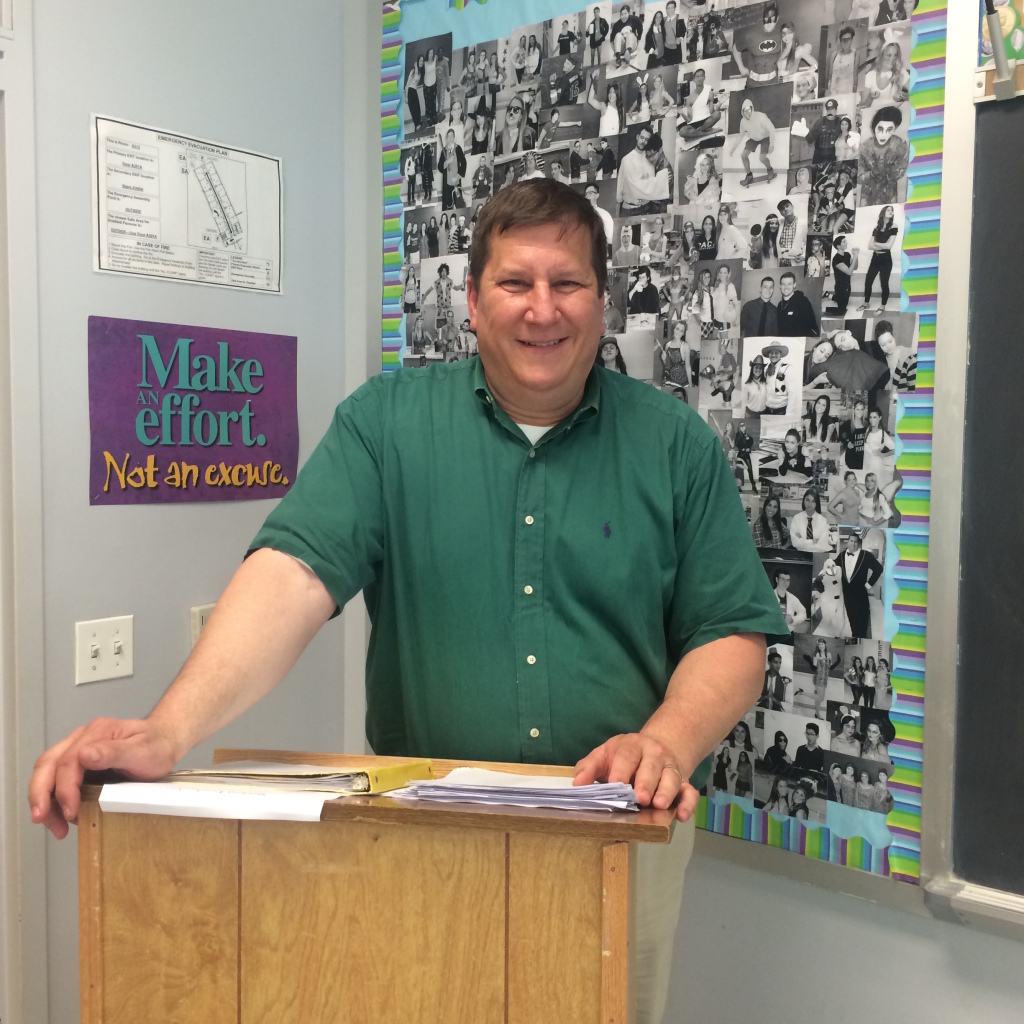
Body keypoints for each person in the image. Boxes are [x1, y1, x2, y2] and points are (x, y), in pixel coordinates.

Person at [33, 180, 789, 1024]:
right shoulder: (384, 426)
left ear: (602, 303)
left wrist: (666, 742)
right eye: (515, 283)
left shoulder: (675, 444)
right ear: (471, 300)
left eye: (567, 283)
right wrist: (168, 731)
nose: (543, 309)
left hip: (619, 828)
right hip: (428, 830)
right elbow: (294, 575)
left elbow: (730, 633)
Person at [858, 105, 909, 206]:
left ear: (895, 129)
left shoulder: (900, 145)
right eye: (880, 129)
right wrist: (873, 172)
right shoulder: (865, 147)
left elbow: (900, 172)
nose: (883, 134)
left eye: (889, 129)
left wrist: (885, 169)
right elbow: (859, 178)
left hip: (890, 196)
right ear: (874, 127)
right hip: (868, 196)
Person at [617, 125, 671, 215]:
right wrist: (661, 179)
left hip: (648, 207)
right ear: (637, 137)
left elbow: (654, 185)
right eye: (642, 137)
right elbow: (622, 187)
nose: (643, 142)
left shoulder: (650, 158)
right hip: (631, 209)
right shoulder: (627, 159)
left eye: (647, 139)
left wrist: (662, 180)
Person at [841, 530, 882, 637]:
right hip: (847, 595)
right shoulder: (841, 555)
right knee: (852, 620)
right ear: (847, 542)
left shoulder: (866, 555)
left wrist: (868, 584)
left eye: (855, 542)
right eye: (851, 541)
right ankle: (855, 635)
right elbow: (833, 567)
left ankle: (861, 636)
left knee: (862, 621)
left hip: (860, 595)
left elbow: (878, 568)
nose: (853, 544)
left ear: (858, 543)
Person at [730, 2, 783, 86]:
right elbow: (735, 48)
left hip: (774, 82)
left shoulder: (782, 32)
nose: (769, 25)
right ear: (763, 18)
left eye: (773, 20)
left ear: (777, 18)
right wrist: (741, 67)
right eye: (766, 20)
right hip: (753, 84)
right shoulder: (752, 34)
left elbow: (792, 45)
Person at [858, 204, 899, 313]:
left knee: (884, 283)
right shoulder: (877, 228)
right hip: (875, 258)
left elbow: (888, 246)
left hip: (886, 259)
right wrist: (881, 245)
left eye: (892, 210)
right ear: (883, 213)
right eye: (888, 210)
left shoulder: (893, 226)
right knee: (868, 281)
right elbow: (869, 246)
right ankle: (866, 303)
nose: (891, 211)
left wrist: (876, 244)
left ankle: (882, 306)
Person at [730, 98, 776, 186]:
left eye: (749, 110)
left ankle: (770, 170)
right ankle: (749, 176)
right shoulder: (742, 121)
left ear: (752, 109)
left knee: (762, 158)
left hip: (765, 137)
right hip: (754, 139)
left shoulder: (761, 116)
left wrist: (771, 145)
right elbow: (740, 135)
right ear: (742, 112)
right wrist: (733, 148)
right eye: (745, 111)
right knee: (743, 156)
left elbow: (772, 129)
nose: (747, 113)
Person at [677, 67, 723, 146]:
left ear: (704, 78)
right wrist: (682, 114)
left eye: (701, 76)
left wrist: (718, 106)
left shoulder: (710, 93)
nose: (699, 78)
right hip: (694, 124)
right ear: (694, 80)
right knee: (682, 131)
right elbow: (689, 120)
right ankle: (708, 132)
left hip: (706, 120)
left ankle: (697, 134)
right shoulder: (690, 98)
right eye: (697, 77)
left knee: (718, 114)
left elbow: (712, 112)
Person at [861, 40, 909, 111]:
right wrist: (871, 97)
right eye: (889, 55)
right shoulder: (870, 75)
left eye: (895, 55)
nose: (892, 59)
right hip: (873, 117)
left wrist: (903, 98)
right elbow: (862, 104)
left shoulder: (901, 72)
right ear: (881, 56)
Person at [805, 99, 844, 176]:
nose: (830, 112)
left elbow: (845, 141)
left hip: (833, 159)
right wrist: (804, 133)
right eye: (828, 110)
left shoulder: (841, 123)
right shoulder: (819, 122)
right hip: (818, 159)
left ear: (836, 110)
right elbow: (810, 140)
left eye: (832, 109)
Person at [875, 318, 916, 391]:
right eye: (883, 345)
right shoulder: (882, 361)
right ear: (879, 345)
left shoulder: (908, 354)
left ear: (894, 337)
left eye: (890, 341)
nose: (888, 346)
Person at [804, 637, 840, 719]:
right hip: (818, 678)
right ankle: (802, 693)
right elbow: (813, 668)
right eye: (819, 644)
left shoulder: (829, 654)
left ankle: (817, 714)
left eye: (822, 644)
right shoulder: (816, 654)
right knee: (821, 697)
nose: (820, 646)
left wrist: (838, 662)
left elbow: (830, 668)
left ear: (825, 644)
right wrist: (809, 660)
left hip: (825, 679)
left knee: (818, 698)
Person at [776, 271, 819, 337]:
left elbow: (812, 328)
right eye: (783, 284)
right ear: (780, 286)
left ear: (794, 285)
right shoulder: (779, 305)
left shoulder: (803, 301)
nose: (786, 287)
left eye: (789, 284)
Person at [791, 489, 833, 553]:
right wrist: (813, 541)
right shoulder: (796, 519)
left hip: (817, 556)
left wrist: (802, 541)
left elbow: (822, 547)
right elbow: (795, 543)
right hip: (801, 555)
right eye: (807, 500)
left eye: (813, 501)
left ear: (817, 503)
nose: (810, 504)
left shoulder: (823, 521)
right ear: (803, 501)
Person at [587, 73, 624, 138]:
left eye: (614, 92)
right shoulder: (604, 106)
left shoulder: (621, 109)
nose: (611, 95)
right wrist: (594, 80)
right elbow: (590, 100)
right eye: (610, 92)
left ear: (618, 94)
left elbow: (621, 128)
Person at [828, 234, 856, 315]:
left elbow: (855, 267)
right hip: (840, 286)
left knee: (843, 302)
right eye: (844, 242)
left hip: (847, 284)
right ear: (838, 246)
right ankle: (822, 309)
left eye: (845, 241)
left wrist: (855, 256)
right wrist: (856, 255)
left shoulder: (847, 255)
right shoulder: (836, 259)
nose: (846, 243)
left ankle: (829, 295)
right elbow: (849, 272)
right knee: (841, 311)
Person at [762, 343, 792, 416]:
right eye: (771, 353)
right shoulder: (766, 369)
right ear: (768, 355)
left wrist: (789, 412)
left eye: (776, 353)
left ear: (780, 354)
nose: (773, 355)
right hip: (767, 409)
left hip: (781, 410)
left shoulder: (787, 368)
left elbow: (791, 392)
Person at [862, 409, 895, 478]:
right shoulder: (868, 430)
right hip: (866, 462)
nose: (871, 420)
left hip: (876, 464)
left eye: (874, 417)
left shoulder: (882, 433)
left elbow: (895, 450)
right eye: (870, 417)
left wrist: (882, 454)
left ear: (880, 418)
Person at [827, 25, 858, 96]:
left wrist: (854, 92)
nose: (845, 42)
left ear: (851, 40)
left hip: (848, 91)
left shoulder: (855, 54)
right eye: (843, 39)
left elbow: (855, 74)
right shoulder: (834, 55)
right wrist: (828, 89)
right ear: (840, 41)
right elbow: (830, 75)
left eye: (848, 39)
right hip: (834, 91)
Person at [776, 200, 807, 268]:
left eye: (787, 206)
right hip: (782, 263)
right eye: (782, 209)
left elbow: (808, 243)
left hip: (797, 262)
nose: (785, 209)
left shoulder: (804, 224)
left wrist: (804, 256)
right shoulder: (778, 224)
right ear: (781, 213)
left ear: (792, 207)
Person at [711, 263, 739, 328]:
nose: (722, 275)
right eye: (720, 272)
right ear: (718, 273)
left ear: (728, 274)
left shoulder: (730, 286)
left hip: (723, 319)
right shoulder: (716, 285)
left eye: (724, 272)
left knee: (724, 338)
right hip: (714, 317)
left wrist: (737, 319)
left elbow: (736, 304)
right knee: (714, 337)